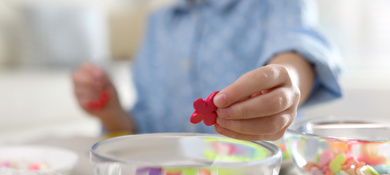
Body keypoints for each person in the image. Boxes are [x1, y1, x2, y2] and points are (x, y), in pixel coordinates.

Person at [72, 0, 342, 141]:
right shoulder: (157, 22)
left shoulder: (272, 4)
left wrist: (288, 81)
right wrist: (113, 113)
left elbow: (296, 42)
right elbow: (147, 125)